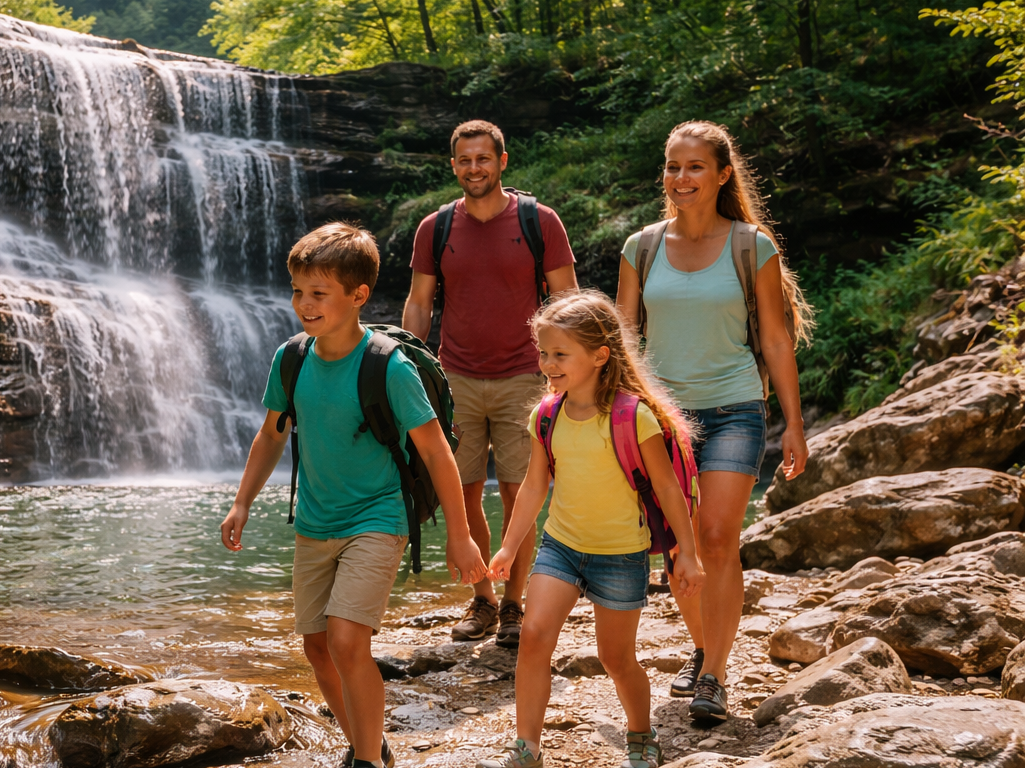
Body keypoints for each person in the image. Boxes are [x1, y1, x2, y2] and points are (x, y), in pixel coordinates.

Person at [221, 223, 487, 768]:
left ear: (358, 295)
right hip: (315, 523)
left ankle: (366, 761)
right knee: (316, 648)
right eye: (298, 291)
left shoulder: (389, 366)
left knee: (346, 643)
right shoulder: (291, 358)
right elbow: (271, 434)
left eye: (319, 293)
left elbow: (438, 454)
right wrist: (242, 500)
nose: (304, 304)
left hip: (378, 517)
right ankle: (370, 744)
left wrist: (459, 538)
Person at [615, 120, 814, 724]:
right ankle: (703, 645)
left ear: (722, 174)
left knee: (719, 539)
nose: (681, 178)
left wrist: (795, 423)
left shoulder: (752, 245)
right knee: (680, 549)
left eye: (694, 166)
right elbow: (622, 341)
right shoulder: (640, 247)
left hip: (735, 408)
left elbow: (777, 341)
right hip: (662, 419)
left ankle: (714, 674)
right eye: (673, 167)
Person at [485, 290, 704, 768]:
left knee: (615, 658)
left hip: (621, 555)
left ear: (600, 356)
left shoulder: (633, 416)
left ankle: (641, 733)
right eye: (543, 352)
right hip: (560, 546)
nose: (548, 364)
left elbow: (669, 492)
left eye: (560, 354)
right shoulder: (546, 415)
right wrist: (508, 547)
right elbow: (533, 486)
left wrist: (686, 553)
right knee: (535, 636)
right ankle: (527, 748)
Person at [402, 120, 578, 647]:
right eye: (464, 160)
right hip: (455, 376)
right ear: (452, 165)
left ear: (503, 161)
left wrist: (568, 371)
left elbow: (566, 297)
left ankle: (514, 604)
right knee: (463, 491)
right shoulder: (434, 228)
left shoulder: (538, 221)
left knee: (522, 491)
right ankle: (482, 596)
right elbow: (419, 302)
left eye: (483, 159)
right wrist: (409, 364)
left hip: (526, 376)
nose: (474, 168)